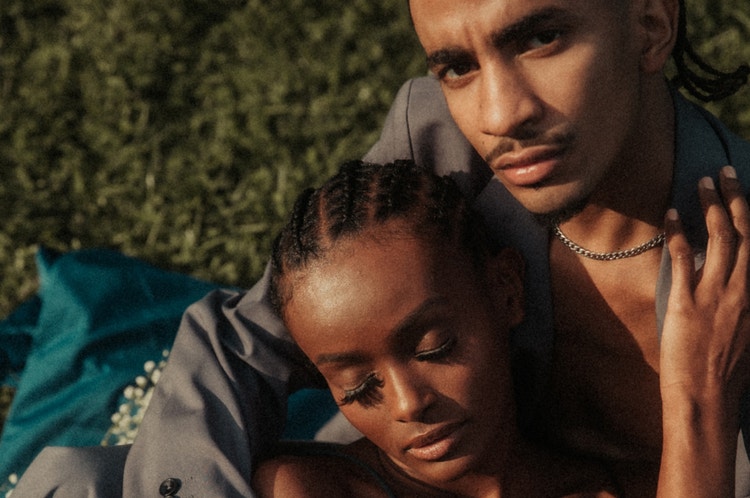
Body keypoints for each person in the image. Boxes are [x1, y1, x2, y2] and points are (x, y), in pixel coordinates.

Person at [11, 0, 750, 496]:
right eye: (457, 64)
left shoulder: (737, 272)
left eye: (540, 37)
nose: (499, 115)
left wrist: (695, 402)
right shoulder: (445, 140)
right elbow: (247, 341)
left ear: (652, 24)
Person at [250, 159, 747, 497]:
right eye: (357, 386)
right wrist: (699, 408)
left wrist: (698, 400)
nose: (407, 403)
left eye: (434, 347)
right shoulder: (306, 488)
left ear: (506, 290)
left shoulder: (619, 487)